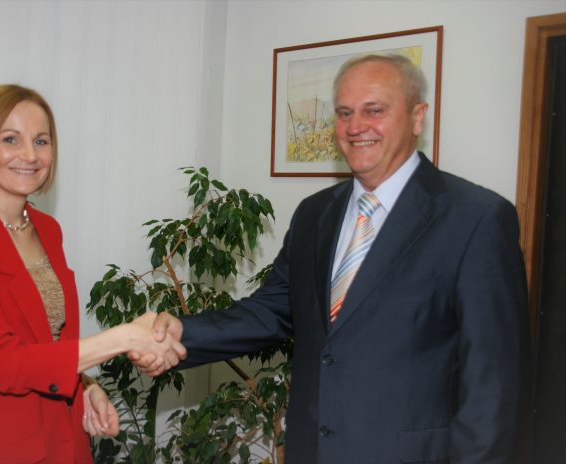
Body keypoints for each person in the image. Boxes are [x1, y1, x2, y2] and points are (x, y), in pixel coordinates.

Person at [134, 54, 531, 462]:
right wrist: (180, 334)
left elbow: (495, 387)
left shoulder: (475, 218)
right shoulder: (314, 213)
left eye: (374, 110)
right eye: (344, 113)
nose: (355, 126)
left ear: (417, 117)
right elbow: (272, 311)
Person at [0, 84, 185, 463]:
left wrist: (86, 387)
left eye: (41, 141)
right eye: (11, 139)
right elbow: (5, 361)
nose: (30, 154)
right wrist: (125, 336)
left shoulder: (47, 229)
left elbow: (48, 340)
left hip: (63, 439)